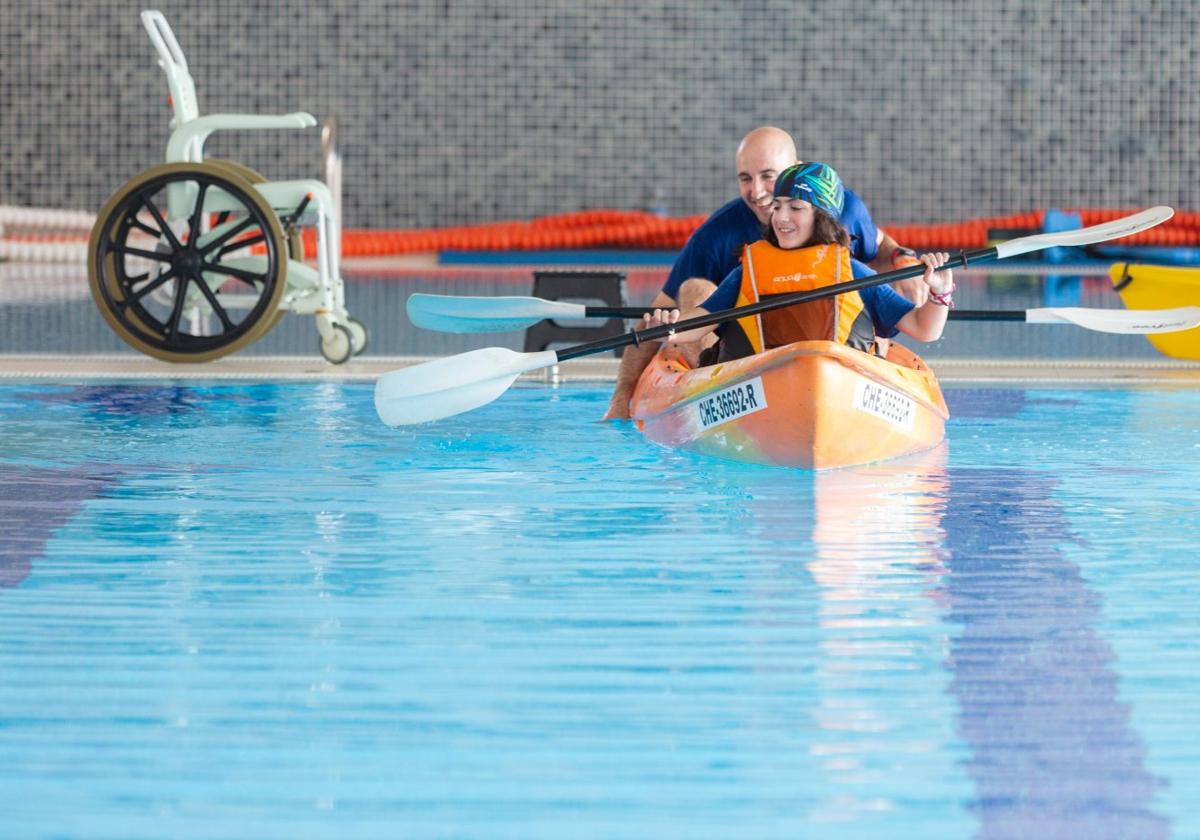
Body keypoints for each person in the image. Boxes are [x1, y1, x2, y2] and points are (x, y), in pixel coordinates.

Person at [602, 126, 924, 420]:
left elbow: (882, 246)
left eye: (769, 176)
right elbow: (660, 311)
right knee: (694, 289)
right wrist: (622, 398)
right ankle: (714, 395)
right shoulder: (719, 235)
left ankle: (867, 370)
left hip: (836, 358)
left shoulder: (843, 209)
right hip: (749, 364)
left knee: (883, 285)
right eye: (745, 178)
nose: (757, 192)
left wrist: (905, 261)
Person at [644, 161, 953, 362]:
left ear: (821, 217)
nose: (781, 217)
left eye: (795, 207)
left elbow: (924, 329)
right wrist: (667, 329)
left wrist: (940, 291)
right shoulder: (748, 274)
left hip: (836, 387)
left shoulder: (853, 273)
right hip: (760, 386)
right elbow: (699, 323)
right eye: (777, 207)